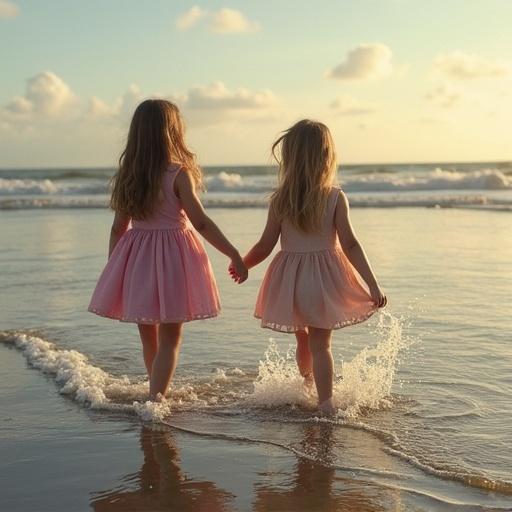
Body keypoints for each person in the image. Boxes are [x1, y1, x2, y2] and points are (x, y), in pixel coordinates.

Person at [89, 99, 247, 401]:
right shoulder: (178, 174)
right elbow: (200, 222)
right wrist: (233, 253)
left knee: (149, 335)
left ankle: (155, 391)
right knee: (171, 338)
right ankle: (157, 399)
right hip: (174, 259)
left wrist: (116, 269)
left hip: (137, 259)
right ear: (173, 132)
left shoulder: (129, 177)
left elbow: (117, 228)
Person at [238, 119, 386, 415]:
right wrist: (372, 283)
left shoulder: (281, 199)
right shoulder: (334, 197)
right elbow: (351, 244)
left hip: (291, 281)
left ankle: (307, 385)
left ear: (290, 157)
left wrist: (243, 265)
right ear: (326, 157)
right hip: (324, 279)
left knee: (304, 341)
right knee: (322, 344)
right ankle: (326, 402)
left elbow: (265, 246)